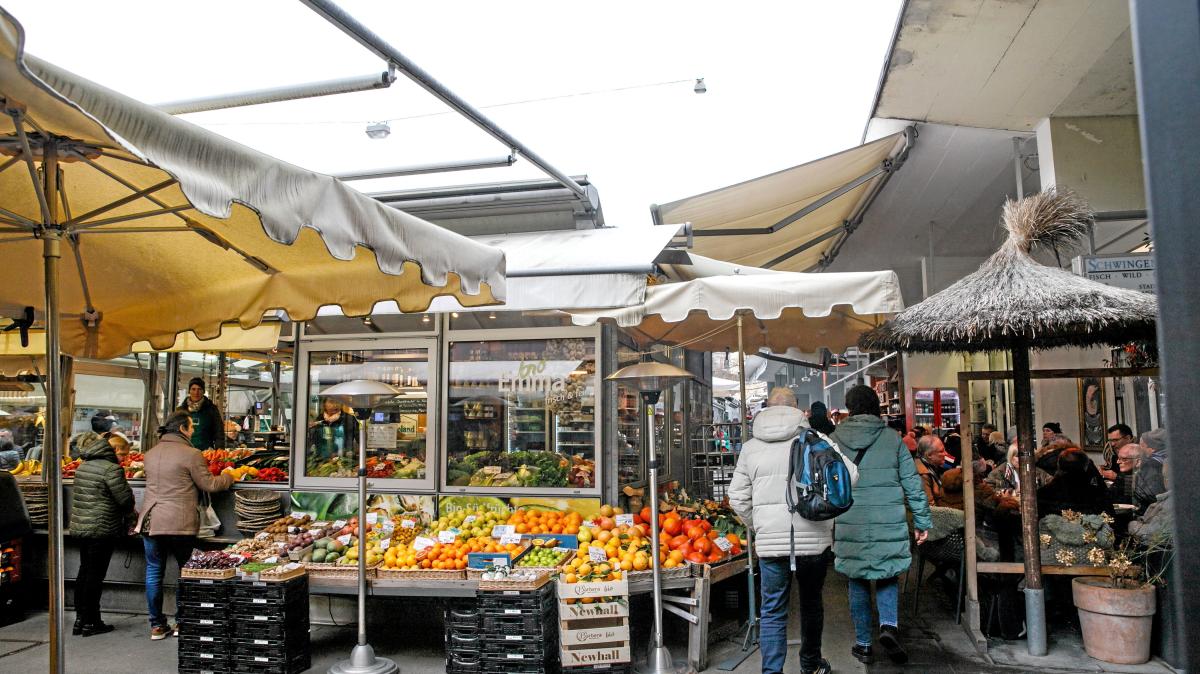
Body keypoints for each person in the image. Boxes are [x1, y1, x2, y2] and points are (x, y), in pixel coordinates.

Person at [729, 386, 857, 674]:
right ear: (799, 410)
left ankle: (771, 672)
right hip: (814, 541)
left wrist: (758, 525)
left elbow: (736, 497)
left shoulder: (750, 448)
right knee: (811, 603)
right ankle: (810, 665)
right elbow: (850, 476)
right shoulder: (817, 439)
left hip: (771, 545)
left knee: (772, 610)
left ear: (766, 408)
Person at [832, 385, 931, 666]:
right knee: (888, 573)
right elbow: (913, 483)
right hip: (889, 518)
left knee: (857, 579)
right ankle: (888, 626)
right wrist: (922, 520)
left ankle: (863, 644)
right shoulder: (892, 439)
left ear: (849, 408)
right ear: (876, 406)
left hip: (850, 520)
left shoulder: (834, 440)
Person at [136, 411, 234, 640]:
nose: (193, 431)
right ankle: (182, 622)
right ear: (182, 429)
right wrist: (229, 476)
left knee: (153, 572)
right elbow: (209, 484)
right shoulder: (191, 454)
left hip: (151, 521)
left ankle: (157, 626)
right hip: (179, 523)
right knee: (186, 572)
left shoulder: (150, 454)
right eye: (191, 428)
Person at [69, 435, 135, 637]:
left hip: (83, 526)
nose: (123, 456)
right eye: (122, 452)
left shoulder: (84, 466)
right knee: (95, 576)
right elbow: (124, 500)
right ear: (113, 450)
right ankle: (92, 621)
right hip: (102, 527)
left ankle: (80, 619)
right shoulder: (111, 469)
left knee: (84, 572)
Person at [1036, 447, 1114, 517]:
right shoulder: (1095, 492)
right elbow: (1108, 513)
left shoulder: (1046, 492)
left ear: (1059, 465)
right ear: (1086, 467)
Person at [176, 378, 224, 451]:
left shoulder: (212, 409)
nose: (196, 392)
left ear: (203, 391)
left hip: (206, 452)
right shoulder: (181, 410)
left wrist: (219, 451)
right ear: (189, 391)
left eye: (199, 389)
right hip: (185, 451)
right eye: (193, 389)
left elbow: (219, 433)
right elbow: (175, 432)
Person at [1132, 431, 1167, 514]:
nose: (1139, 448)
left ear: (1152, 449)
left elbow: (1145, 495)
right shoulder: (1171, 460)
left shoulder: (1149, 466)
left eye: (1141, 446)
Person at [914, 435, 948, 507]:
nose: (946, 454)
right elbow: (930, 507)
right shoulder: (922, 475)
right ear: (929, 455)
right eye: (941, 451)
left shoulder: (930, 465)